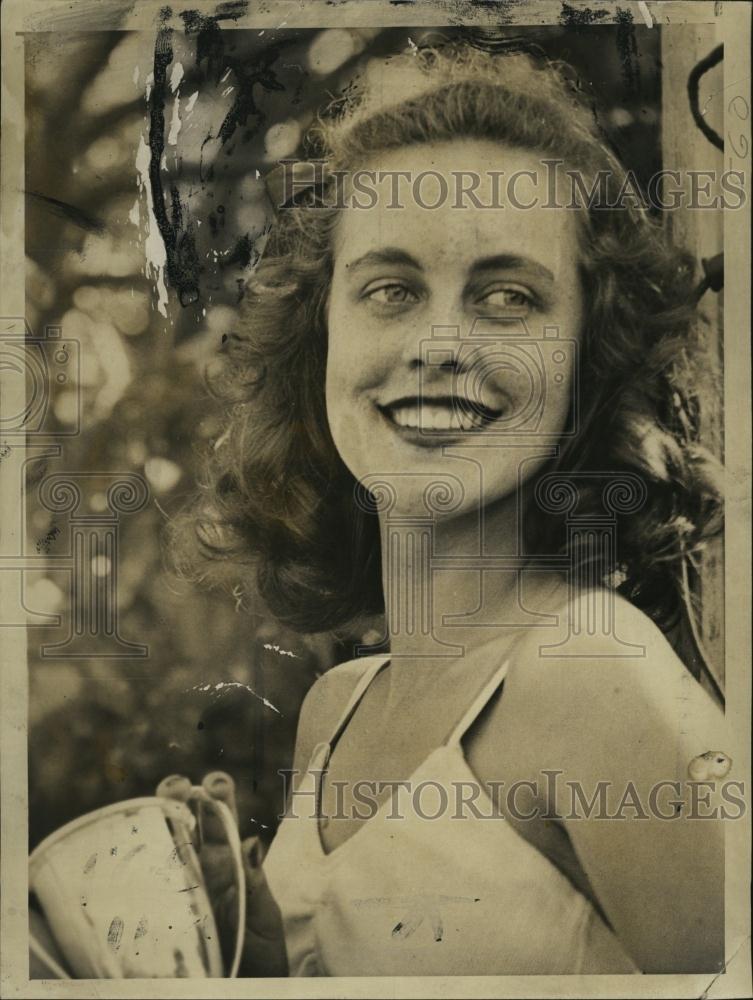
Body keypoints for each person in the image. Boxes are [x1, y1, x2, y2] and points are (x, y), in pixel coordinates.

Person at [166, 41, 726, 976]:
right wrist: (261, 962)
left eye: (507, 297)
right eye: (390, 289)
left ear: (585, 356)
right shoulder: (338, 706)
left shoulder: (593, 673)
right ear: (324, 340)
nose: (438, 343)